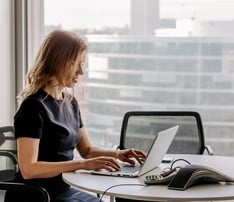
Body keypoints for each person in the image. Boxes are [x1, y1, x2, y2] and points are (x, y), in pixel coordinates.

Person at [7, 29, 146, 202]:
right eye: (76, 63)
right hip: (37, 195)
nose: (81, 71)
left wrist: (117, 155)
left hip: (63, 191)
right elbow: (29, 169)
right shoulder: (33, 107)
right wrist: (81, 164)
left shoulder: (70, 103)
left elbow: (87, 150)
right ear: (58, 62)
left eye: (83, 63)